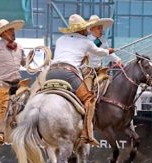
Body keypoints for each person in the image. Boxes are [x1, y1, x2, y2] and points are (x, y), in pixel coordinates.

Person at [46, 14, 114, 146]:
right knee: (89, 100)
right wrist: (108, 51)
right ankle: (87, 133)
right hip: (68, 74)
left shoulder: (60, 39)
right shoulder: (86, 42)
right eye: (86, 29)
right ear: (82, 29)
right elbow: (99, 53)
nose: (87, 31)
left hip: (51, 73)